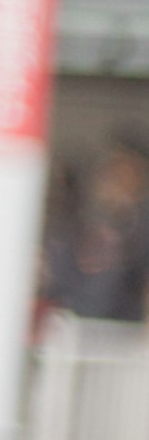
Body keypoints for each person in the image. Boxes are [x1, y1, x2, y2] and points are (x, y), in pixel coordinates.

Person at [46, 138, 149, 324]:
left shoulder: (140, 232)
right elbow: (56, 278)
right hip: (71, 323)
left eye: (128, 179)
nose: (117, 188)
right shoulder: (73, 225)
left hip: (123, 328)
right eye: (113, 177)